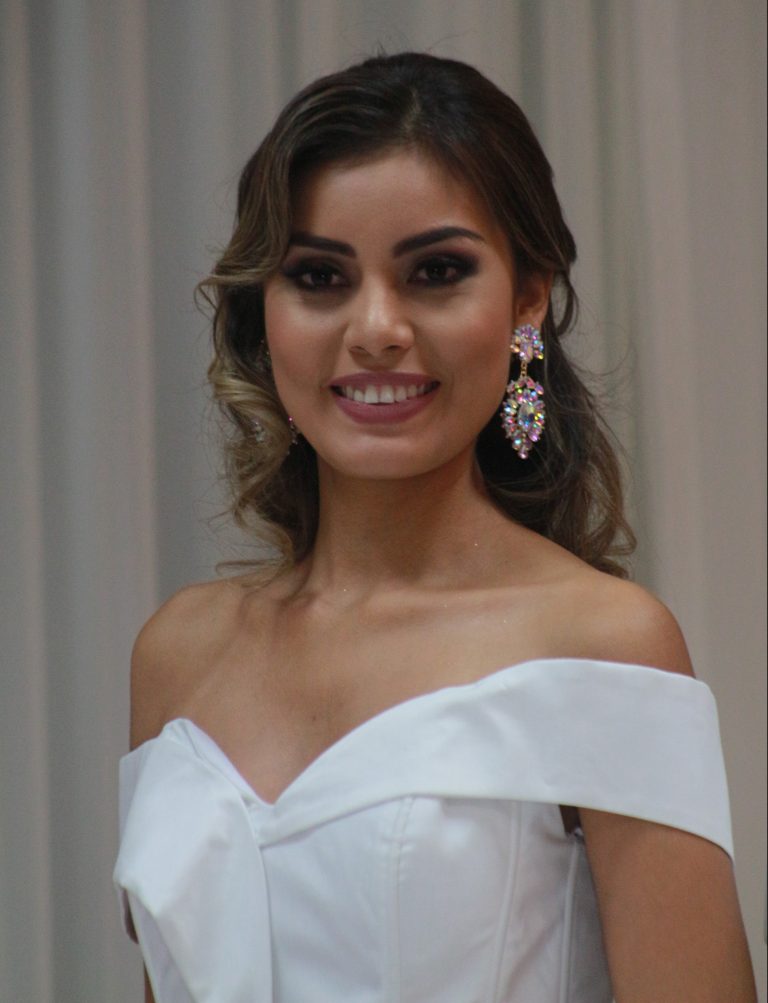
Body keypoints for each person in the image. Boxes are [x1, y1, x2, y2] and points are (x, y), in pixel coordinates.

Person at [114, 52, 756, 1002]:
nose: (376, 327)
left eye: (437, 272)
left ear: (527, 299)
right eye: (320, 276)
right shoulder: (177, 653)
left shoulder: (605, 643)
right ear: (265, 312)